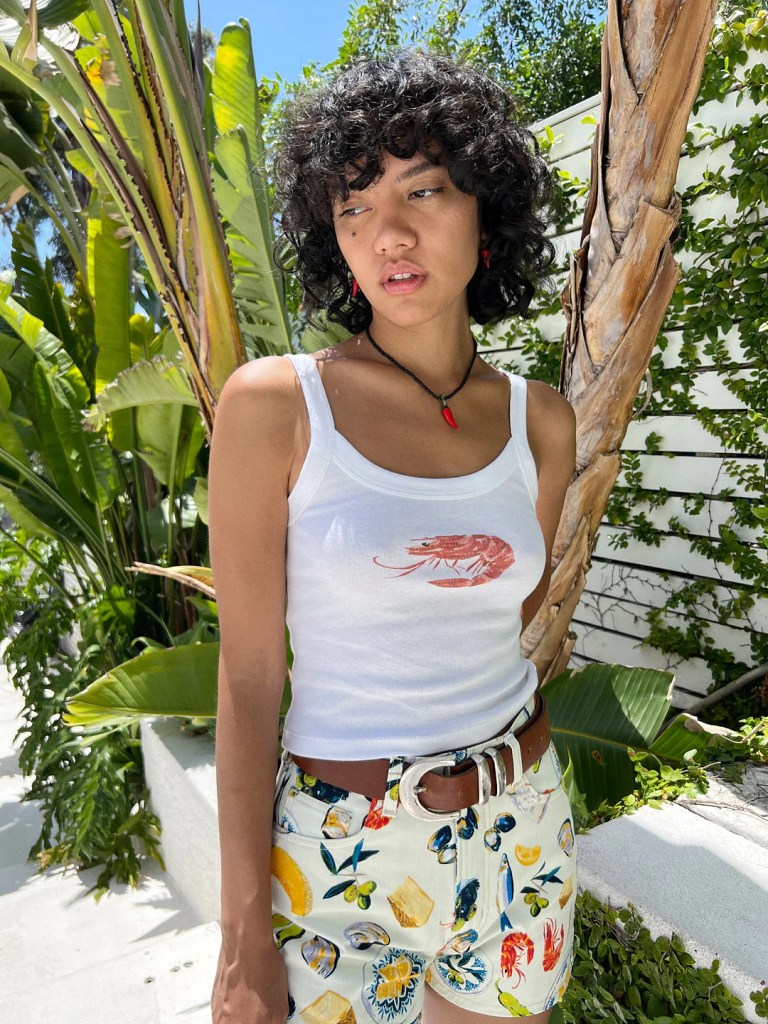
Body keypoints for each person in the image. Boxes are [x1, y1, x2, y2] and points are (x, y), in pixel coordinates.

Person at [208, 47, 577, 1024]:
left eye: (424, 189)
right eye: (355, 206)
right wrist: (241, 934)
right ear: (331, 236)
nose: (391, 233)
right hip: (346, 846)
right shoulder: (278, 407)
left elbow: (512, 613)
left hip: (524, 819)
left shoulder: (543, 421)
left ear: (487, 209)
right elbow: (249, 677)